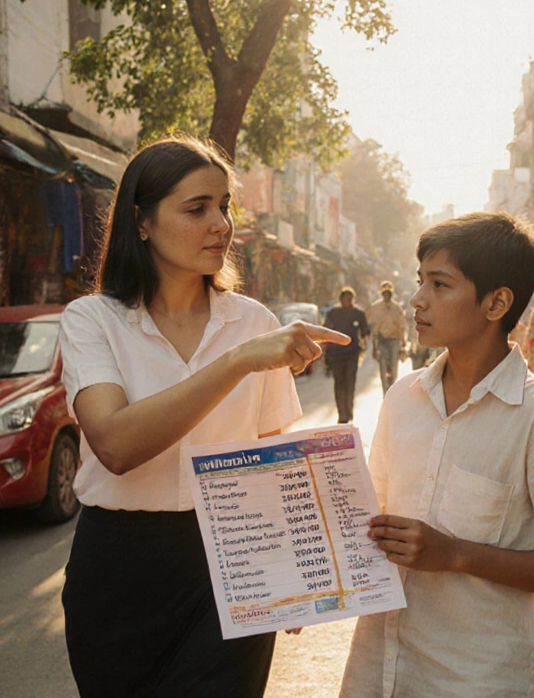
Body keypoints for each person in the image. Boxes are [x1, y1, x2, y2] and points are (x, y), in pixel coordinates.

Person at [56, 137, 349, 698]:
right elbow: (115, 445)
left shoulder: (254, 321)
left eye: (225, 206)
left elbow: (271, 459)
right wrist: (237, 363)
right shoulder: (92, 320)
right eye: (197, 209)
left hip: (233, 560)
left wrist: (287, 570)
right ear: (141, 222)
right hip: (117, 570)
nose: (221, 224)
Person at [340, 212, 534, 697]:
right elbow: (367, 518)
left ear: (497, 302)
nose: (417, 299)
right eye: (420, 280)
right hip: (379, 669)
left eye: (440, 285)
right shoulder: (403, 398)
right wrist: (300, 591)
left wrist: (457, 554)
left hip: (478, 677)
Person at [323, 287, 369, 423]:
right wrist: (325, 352)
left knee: (350, 383)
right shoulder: (333, 313)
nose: (347, 302)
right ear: (340, 300)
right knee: (339, 384)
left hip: (352, 354)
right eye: (345, 299)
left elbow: (364, 332)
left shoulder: (359, 314)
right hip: (336, 354)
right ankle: (341, 413)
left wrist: (364, 346)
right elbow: (326, 331)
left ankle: (349, 411)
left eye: (350, 299)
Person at [367, 280, 407, 393]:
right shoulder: (375, 307)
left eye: (389, 291)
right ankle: (386, 395)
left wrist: (402, 343)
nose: (386, 294)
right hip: (381, 341)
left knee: (393, 370)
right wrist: (374, 347)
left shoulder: (397, 307)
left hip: (394, 340)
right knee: (383, 370)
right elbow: (374, 329)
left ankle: (392, 393)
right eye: (384, 291)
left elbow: (401, 326)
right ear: (381, 292)